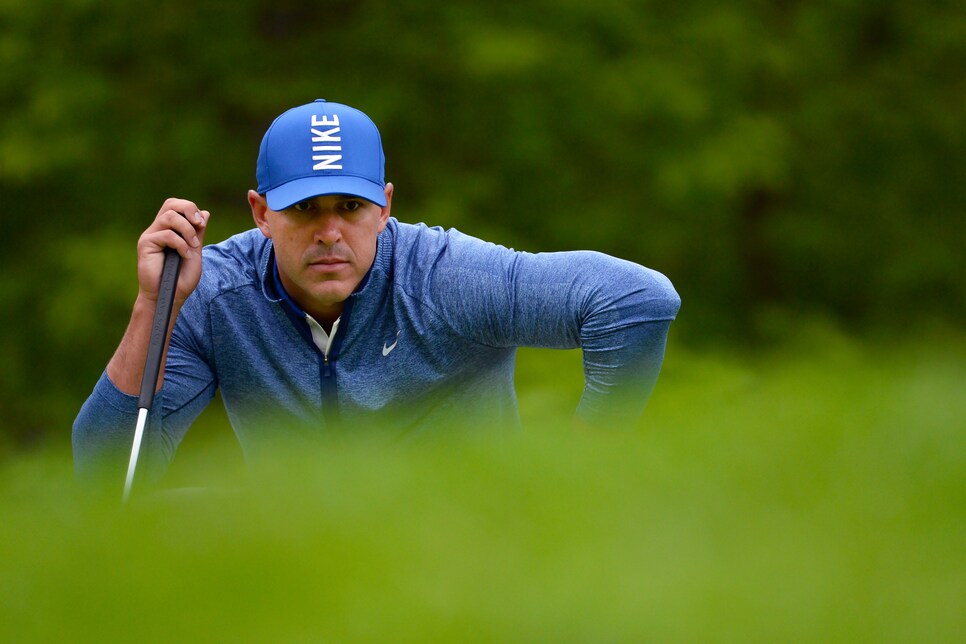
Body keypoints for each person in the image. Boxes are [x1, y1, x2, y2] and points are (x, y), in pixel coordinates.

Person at [73, 99, 681, 482]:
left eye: (351, 206)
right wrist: (154, 306)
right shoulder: (214, 292)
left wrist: (580, 473)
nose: (330, 232)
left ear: (386, 206)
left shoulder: (443, 277)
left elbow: (635, 303)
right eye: (305, 208)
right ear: (260, 212)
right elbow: (105, 472)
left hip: (473, 558)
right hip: (297, 569)